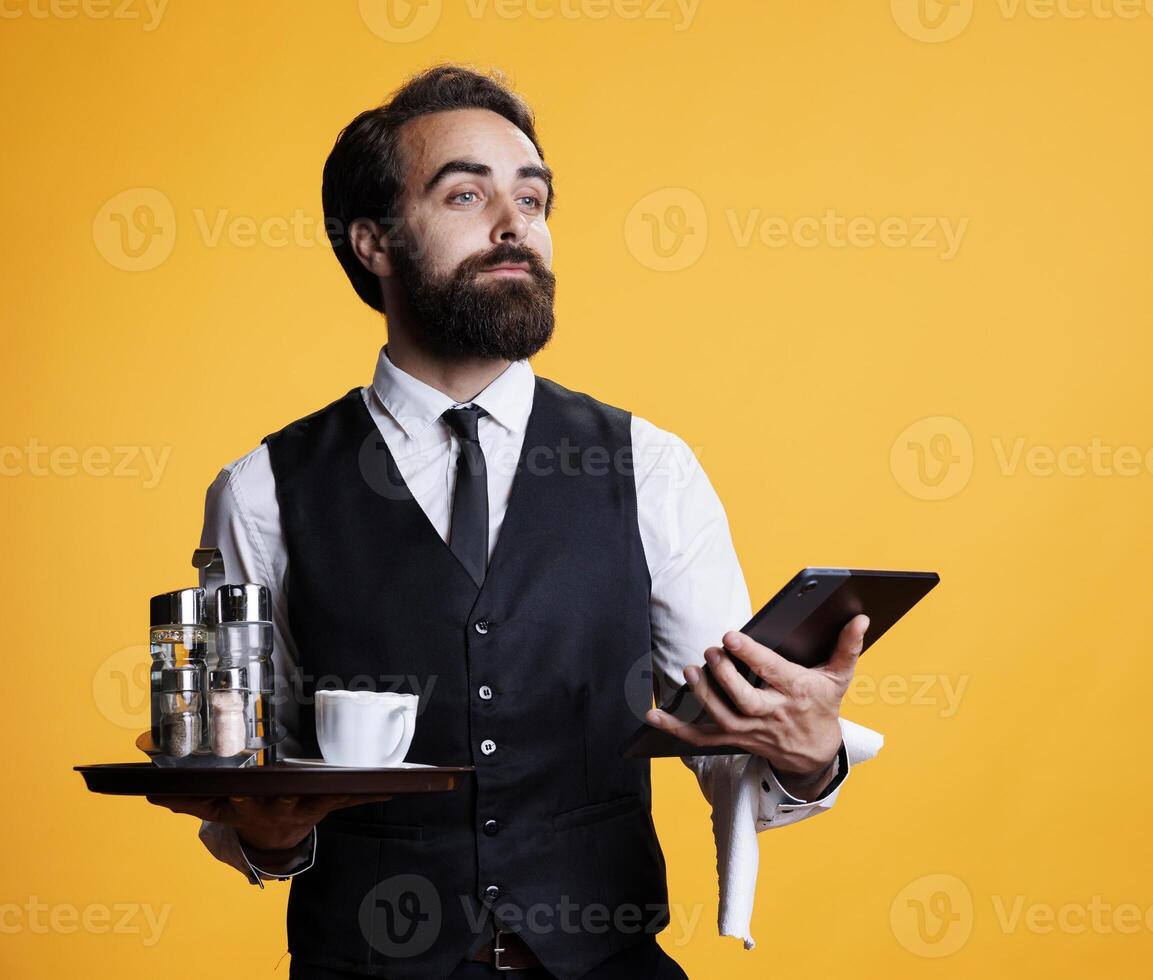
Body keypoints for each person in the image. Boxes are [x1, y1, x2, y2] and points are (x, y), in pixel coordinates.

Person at [148, 64, 873, 979]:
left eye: (532, 199)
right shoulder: (263, 490)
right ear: (372, 241)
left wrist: (811, 757)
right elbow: (259, 787)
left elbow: (724, 737)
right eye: (466, 193)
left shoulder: (650, 467)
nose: (514, 225)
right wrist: (270, 839)